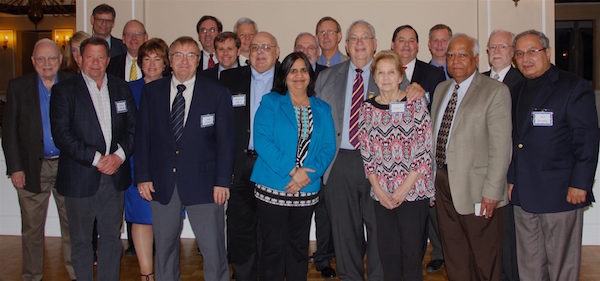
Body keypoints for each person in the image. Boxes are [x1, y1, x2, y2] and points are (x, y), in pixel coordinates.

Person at [315, 20, 425, 280]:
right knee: (344, 232)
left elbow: (412, 113)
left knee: (380, 230)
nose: (360, 42)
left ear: (375, 44)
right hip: (338, 163)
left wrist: (419, 90)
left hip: (381, 166)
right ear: (347, 45)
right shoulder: (327, 77)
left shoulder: (391, 75)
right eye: (354, 38)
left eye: (366, 37)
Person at [134, 36, 234, 281]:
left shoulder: (217, 93)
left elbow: (226, 142)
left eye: (191, 55)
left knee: (213, 250)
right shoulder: (152, 92)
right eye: (178, 54)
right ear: (169, 60)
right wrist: (143, 176)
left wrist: (222, 181)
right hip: (162, 183)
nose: (184, 61)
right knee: (165, 249)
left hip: (205, 185)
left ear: (198, 61)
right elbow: (142, 137)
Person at [509, 29, 599, 281]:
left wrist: (580, 183)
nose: (525, 58)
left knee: (561, 264)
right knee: (529, 262)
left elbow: (587, 140)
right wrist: (511, 179)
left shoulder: (573, 87)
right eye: (519, 53)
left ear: (547, 53)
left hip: (561, 193)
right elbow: (516, 141)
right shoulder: (515, 90)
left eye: (532, 51)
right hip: (524, 194)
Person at [50, 37, 136, 281]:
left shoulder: (121, 88)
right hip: (79, 178)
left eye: (101, 57)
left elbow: (134, 128)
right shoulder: (64, 91)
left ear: (108, 60)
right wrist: (98, 159)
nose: (95, 63)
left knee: (111, 238)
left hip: (114, 177)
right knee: (80, 241)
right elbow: (62, 135)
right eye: (90, 57)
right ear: (79, 59)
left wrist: (118, 157)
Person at [431, 33, 512, 281]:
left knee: (484, 257)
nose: (455, 60)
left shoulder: (495, 91)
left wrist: (492, 191)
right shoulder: (441, 89)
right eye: (451, 55)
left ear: (476, 59)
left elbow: (501, 147)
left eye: (462, 55)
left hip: (478, 190)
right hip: (444, 183)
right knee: (454, 253)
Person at [251, 51, 336, 281]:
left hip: (306, 188)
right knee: (273, 248)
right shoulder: (271, 102)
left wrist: (308, 175)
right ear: (284, 75)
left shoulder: (322, 108)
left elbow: (329, 147)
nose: (299, 75)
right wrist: (293, 171)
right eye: (293, 70)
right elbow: (262, 140)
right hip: (273, 186)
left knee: (299, 249)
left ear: (310, 75)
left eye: (303, 70)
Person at [2, 38, 77, 281]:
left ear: (60, 60)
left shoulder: (73, 84)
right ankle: (32, 276)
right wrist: (15, 167)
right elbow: (9, 130)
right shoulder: (18, 87)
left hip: (68, 167)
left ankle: (77, 274)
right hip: (31, 168)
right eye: (41, 59)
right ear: (33, 62)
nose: (47, 64)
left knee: (73, 226)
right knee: (32, 229)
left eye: (52, 58)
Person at [358, 50, 434, 281]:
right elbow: (367, 154)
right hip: (382, 195)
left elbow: (424, 152)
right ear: (375, 77)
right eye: (381, 73)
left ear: (401, 75)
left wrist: (403, 190)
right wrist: (380, 191)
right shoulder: (367, 109)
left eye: (391, 72)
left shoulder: (415, 104)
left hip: (413, 192)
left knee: (411, 255)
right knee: (388, 254)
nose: (386, 77)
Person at [219, 31, 280, 281]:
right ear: (247, 52)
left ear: (277, 52)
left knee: (271, 227)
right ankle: (243, 274)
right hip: (240, 162)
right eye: (255, 47)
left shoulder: (288, 81)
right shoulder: (229, 78)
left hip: (274, 165)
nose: (260, 52)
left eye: (267, 47)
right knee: (240, 225)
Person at [125, 38, 169, 281]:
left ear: (165, 63)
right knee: (142, 218)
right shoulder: (127, 89)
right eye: (146, 59)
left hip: (168, 166)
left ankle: (164, 271)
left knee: (165, 221)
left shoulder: (177, 88)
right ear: (140, 62)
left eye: (157, 59)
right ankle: (146, 274)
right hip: (137, 164)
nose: (152, 64)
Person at [483, 29, 524, 281]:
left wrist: (512, 176)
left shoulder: (523, 81)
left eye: (502, 47)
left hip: (509, 171)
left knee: (509, 234)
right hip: (481, 170)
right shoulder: (480, 80)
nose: (496, 52)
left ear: (512, 52)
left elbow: (519, 135)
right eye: (492, 47)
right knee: (489, 233)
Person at [390, 25, 445, 109]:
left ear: (417, 46)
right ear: (392, 45)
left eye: (411, 41)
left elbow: (438, 109)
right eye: (401, 40)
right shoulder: (382, 72)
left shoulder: (435, 74)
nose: (406, 45)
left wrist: (423, 98)